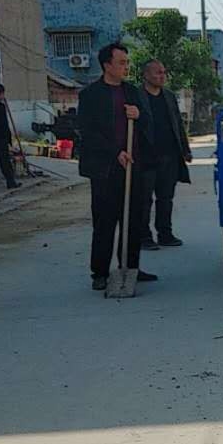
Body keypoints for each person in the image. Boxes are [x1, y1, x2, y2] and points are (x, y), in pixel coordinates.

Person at [77, 43, 156, 291]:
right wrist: (115, 152)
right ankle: (100, 272)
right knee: (105, 220)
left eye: (127, 62)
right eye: (121, 62)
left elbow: (148, 122)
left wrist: (138, 115)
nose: (126, 67)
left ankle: (130, 267)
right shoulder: (90, 95)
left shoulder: (132, 92)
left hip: (133, 166)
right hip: (105, 169)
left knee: (133, 219)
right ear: (107, 65)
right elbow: (88, 132)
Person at [139, 59, 192, 249]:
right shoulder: (136, 96)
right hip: (145, 157)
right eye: (157, 73)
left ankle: (165, 234)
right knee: (144, 200)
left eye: (163, 72)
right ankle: (144, 237)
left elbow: (177, 124)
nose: (162, 76)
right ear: (146, 75)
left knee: (166, 198)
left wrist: (185, 149)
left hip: (169, 155)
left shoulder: (168, 96)